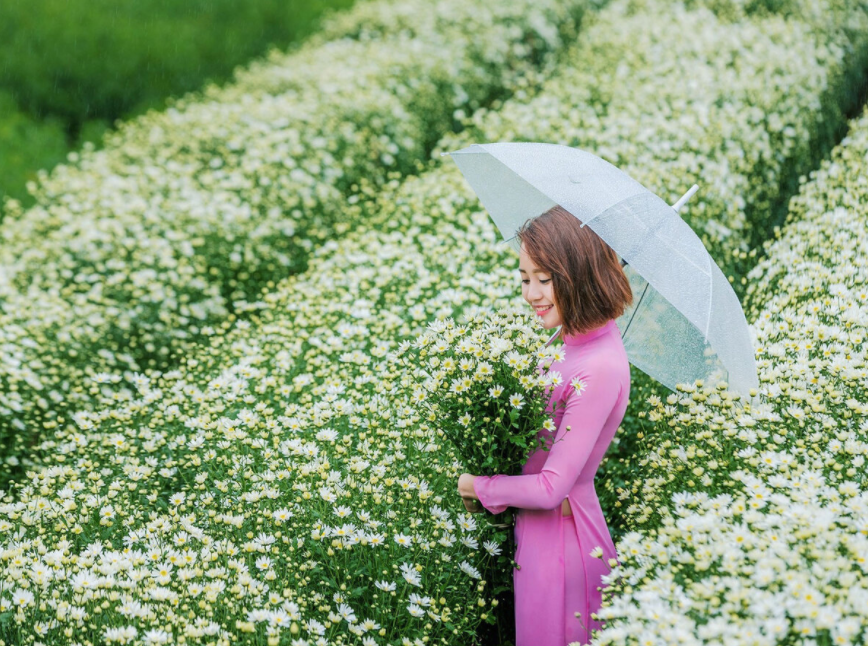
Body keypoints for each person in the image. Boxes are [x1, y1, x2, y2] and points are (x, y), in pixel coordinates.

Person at [456, 204, 633, 646]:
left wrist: (480, 486)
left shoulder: (601, 364)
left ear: (577, 274)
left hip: (564, 543)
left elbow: (552, 486)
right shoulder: (568, 338)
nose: (531, 294)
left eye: (544, 279)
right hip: (536, 536)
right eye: (524, 279)